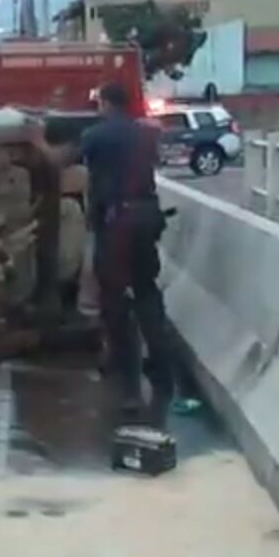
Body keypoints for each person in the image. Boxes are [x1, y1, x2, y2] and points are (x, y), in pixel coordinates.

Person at [32, 82, 174, 427]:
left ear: (106, 104)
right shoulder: (144, 134)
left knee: (115, 303)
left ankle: (127, 388)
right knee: (147, 293)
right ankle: (162, 372)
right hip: (148, 218)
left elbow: (59, 162)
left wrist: (34, 140)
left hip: (117, 225)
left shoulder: (98, 134)